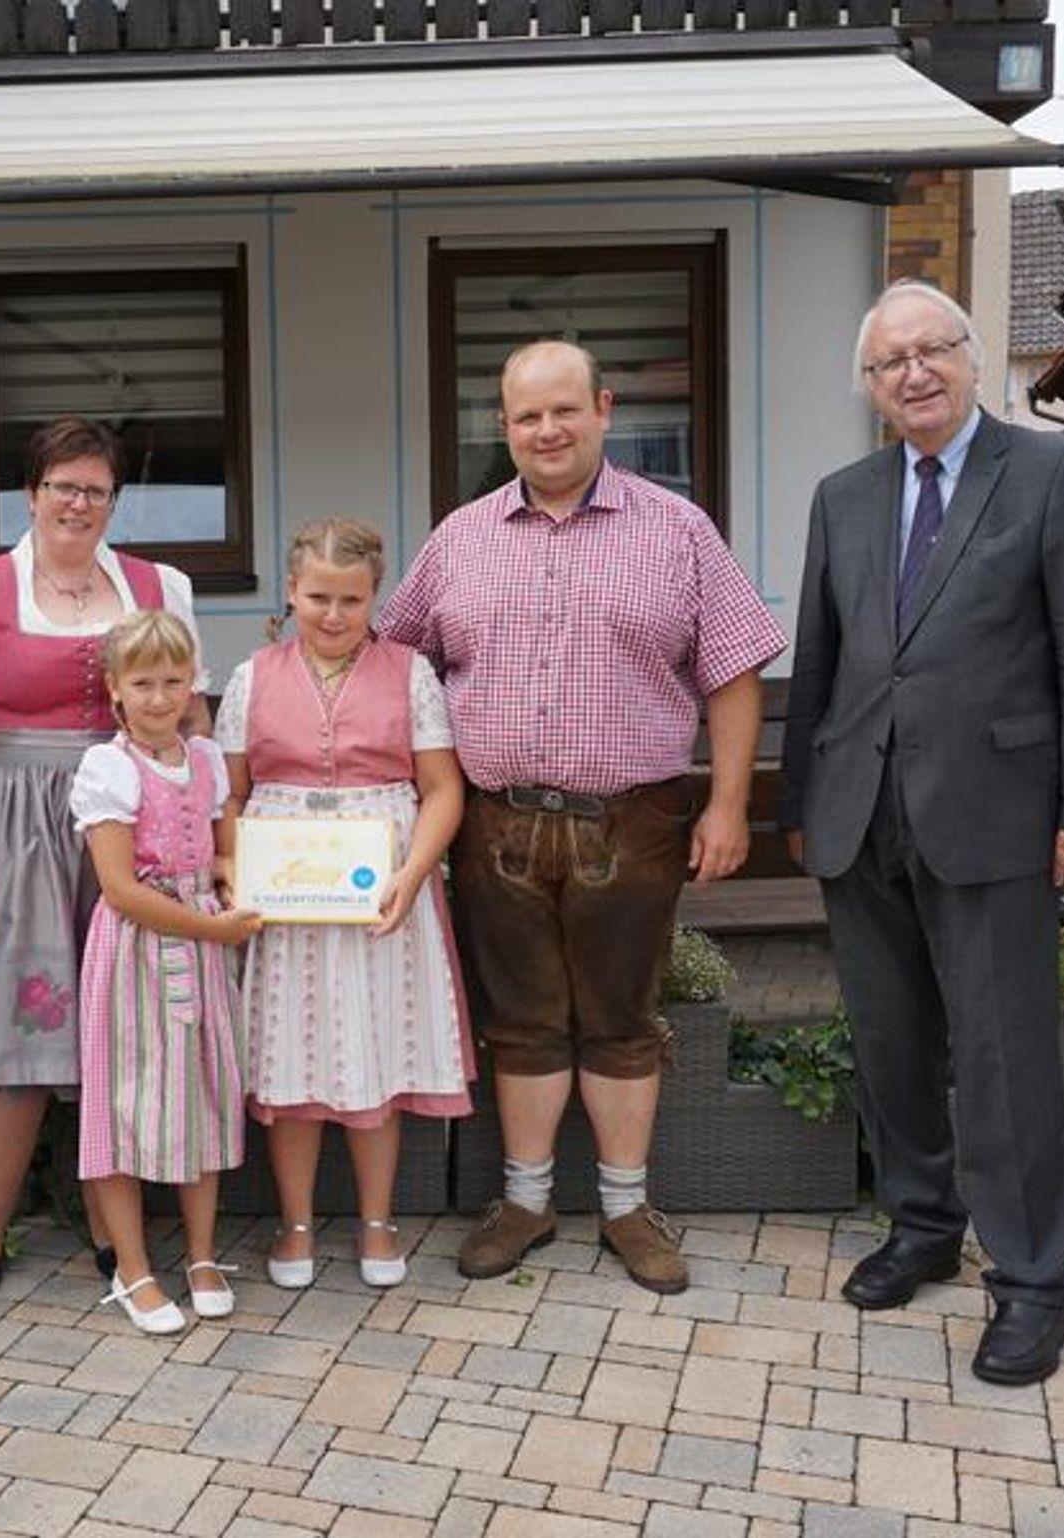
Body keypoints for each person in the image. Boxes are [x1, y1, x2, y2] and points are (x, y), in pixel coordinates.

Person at [779, 279, 1064, 1386]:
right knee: (891, 1042)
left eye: (932, 348)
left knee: (1001, 1055)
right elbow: (822, 657)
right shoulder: (843, 496)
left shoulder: (1050, 474)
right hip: (861, 816)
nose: (913, 372)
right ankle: (924, 1224)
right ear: (869, 386)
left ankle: (1032, 1278)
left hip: (995, 816)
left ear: (974, 357)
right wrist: (803, 806)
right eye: (889, 361)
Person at [384, 338, 785, 1293]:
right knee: (520, 1018)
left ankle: (626, 1207)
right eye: (527, 415)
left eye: (565, 409)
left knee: (621, 1017)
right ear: (504, 426)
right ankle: (524, 1202)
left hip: (632, 821)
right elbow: (396, 669)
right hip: (496, 824)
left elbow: (733, 672)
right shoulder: (459, 538)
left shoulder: (678, 529)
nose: (547, 430)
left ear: (604, 409)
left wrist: (729, 804)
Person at [0, 417, 210, 1296]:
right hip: (16, 830)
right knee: (11, 1031)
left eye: (96, 490)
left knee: (125, 1023)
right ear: (31, 494)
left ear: (115, 500)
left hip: (133, 823)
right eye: (62, 487)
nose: (79, 504)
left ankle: (112, 1228)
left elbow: (192, 723)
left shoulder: (161, 587)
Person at [215, 519, 472, 1291]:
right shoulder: (253, 677)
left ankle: (377, 1219)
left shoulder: (410, 673)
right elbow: (229, 794)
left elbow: (442, 789)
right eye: (319, 598)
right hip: (287, 897)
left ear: (374, 598)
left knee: (374, 1051)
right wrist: (234, 867)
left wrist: (413, 873)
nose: (333, 615)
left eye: (351, 601)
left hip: (380, 890)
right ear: (292, 591)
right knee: (291, 1058)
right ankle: (295, 1222)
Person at [69, 610, 259, 1333]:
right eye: (143, 683)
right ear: (115, 688)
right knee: (125, 1102)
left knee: (201, 1093)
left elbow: (220, 850)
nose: (159, 698)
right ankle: (133, 1267)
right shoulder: (109, 769)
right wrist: (214, 926)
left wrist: (234, 878)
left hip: (202, 945)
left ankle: (203, 1256)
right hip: (137, 951)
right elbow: (121, 889)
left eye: (173, 682)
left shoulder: (204, 760)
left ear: (192, 686)